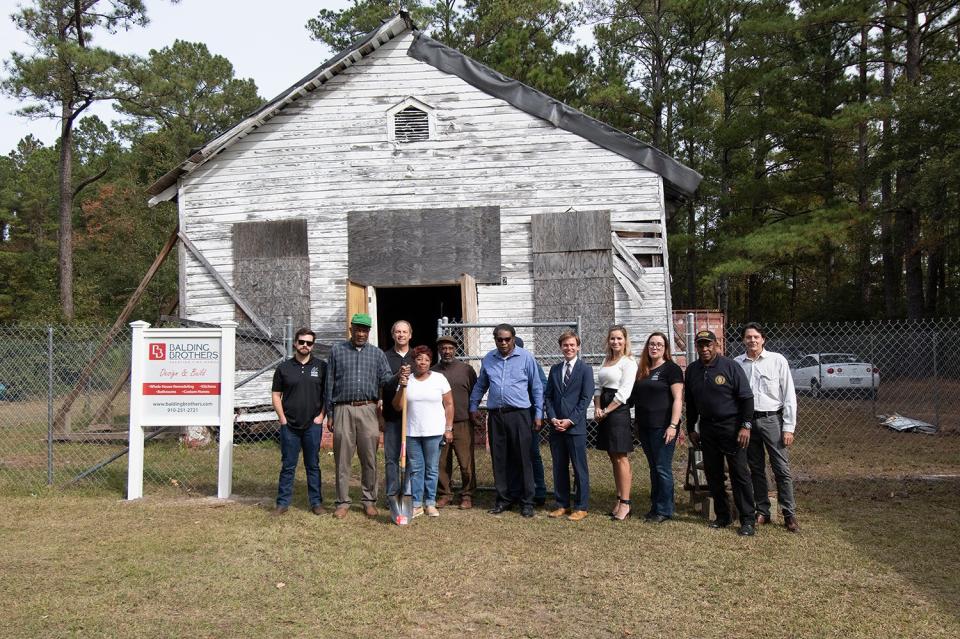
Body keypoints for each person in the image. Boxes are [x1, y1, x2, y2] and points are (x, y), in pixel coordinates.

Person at [325, 313, 400, 519]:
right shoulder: (337, 351)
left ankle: (369, 500)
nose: (361, 333)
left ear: (369, 332)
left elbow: (385, 380)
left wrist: (398, 377)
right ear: (351, 329)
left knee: (369, 458)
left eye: (364, 330)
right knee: (342, 459)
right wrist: (330, 413)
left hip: (369, 409)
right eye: (357, 329)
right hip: (343, 409)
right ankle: (342, 502)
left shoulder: (376, 354)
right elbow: (329, 383)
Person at [685, 329, 757, 536]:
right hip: (707, 428)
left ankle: (747, 520)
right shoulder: (692, 370)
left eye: (708, 344)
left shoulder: (730, 367)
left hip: (732, 427)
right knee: (713, 473)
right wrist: (691, 428)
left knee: (739, 474)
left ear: (716, 345)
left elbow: (747, 399)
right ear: (697, 347)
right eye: (701, 345)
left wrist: (745, 426)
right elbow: (690, 403)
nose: (705, 348)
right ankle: (723, 516)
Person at [469, 323, 544, 518]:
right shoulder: (489, 359)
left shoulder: (526, 358)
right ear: (495, 340)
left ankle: (527, 501)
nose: (503, 343)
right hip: (496, 416)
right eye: (499, 339)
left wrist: (538, 415)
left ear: (513, 339)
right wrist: (473, 406)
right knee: (500, 458)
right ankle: (504, 498)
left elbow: (536, 387)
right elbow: (480, 385)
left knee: (523, 458)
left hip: (520, 414)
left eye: (507, 339)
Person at [735, 322, 800, 533]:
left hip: (772, 420)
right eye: (748, 337)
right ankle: (762, 510)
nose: (752, 340)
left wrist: (788, 427)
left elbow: (789, 394)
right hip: (747, 423)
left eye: (756, 337)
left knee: (781, 468)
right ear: (743, 340)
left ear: (763, 339)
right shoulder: (737, 364)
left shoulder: (777, 361)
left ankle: (789, 513)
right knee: (756, 468)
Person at [271, 328, 326, 515]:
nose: (305, 345)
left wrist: (321, 417)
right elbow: (276, 395)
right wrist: (282, 419)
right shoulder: (283, 368)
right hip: (290, 426)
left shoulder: (321, 367)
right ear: (295, 343)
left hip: (312, 425)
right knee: (288, 465)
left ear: (313, 346)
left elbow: (327, 394)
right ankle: (282, 503)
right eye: (301, 342)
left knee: (313, 465)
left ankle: (316, 503)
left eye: (309, 343)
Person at [393, 345, 453, 518]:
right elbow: (398, 406)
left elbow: (449, 404)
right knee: (417, 469)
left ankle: (430, 503)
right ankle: (417, 504)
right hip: (412, 432)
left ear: (430, 361)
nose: (423, 362)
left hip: (434, 432)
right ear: (414, 360)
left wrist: (448, 428)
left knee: (432, 469)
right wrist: (402, 386)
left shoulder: (439, 379)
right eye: (419, 359)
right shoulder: (407, 380)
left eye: (427, 359)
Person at [630, 331, 684, 523]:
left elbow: (678, 399)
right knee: (653, 467)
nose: (655, 347)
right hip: (644, 427)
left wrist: (673, 425)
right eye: (652, 344)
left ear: (665, 348)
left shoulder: (671, 369)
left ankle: (665, 509)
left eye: (659, 345)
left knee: (662, 467)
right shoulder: (643, 370)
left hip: (663, 427)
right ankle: (655, 506)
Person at [544, 330, 595, 521]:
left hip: (575, 428)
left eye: (572, 345)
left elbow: (585, 398)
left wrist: (570, 420)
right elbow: (548, 396)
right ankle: (562, 504)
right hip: (556, 427)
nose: (569, 348)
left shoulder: (585, 369)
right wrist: (553, 417)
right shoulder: (555, 369)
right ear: (561, 347)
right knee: (559, 466)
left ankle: (581, 506)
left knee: (579, 467)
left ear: (578, 347)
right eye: (565, 345)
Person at [595, 325, 638, 521]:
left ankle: (626, 504)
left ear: (625, 340)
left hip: (617, 410)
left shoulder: (628, 362)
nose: (616, 342)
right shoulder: (607, 360)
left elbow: (624, 393)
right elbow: (599, 387)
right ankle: (619, 499)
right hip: (603, 408)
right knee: (613, 456)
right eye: (612, 338)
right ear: (608, 341)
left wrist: (606, 410)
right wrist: (597, 407)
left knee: (621, 457)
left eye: (619, 339)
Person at [433, 335, 479, 510]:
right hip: (439, 423)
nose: (447, 351)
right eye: (443, 348)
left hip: (463, 422)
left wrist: (474, 414)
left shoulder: (466, 370)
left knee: (466, 461)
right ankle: (445, 493)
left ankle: (467, 494)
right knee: (442, 462)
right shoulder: (433, 371)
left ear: (455, 349)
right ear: (439, 350)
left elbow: (475, 393)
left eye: (450, 348)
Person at [381, 320, 413, 505]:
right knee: (391, 457)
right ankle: (392, 494)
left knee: (411, 457)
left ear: (410, 335)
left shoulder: (417, 356)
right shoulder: (384, 357)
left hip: (413, 417)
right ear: (393, 335)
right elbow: (382, 384)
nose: (401, 335)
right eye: (398, 332)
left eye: (404, 332)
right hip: (392, 417)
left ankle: (407, 493)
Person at [514, 335, 547, 506]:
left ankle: (539, 491)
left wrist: (537, 413)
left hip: (530, 415)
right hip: (511, 416)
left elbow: (542, 387)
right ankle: (518, 490)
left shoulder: (531, 363)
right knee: (514, 455)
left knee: (532, 453)